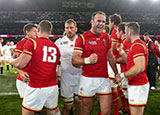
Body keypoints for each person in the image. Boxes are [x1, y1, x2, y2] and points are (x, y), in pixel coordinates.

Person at [72, 11, 118, 115]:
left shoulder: (107, 37)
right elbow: (74, 60)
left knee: (107, 112)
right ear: (92, 22)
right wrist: (87, 60)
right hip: (88, 79)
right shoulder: (82, 38)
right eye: (98, 21)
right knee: (86, 111)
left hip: (104, 79)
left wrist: (116, 73)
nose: (101, 24)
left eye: (103, 21)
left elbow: (110, 57)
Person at [10, 20, 60, 115]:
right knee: (51, 111)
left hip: (36, 85)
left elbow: (20, 63)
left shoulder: (33, 42)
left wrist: (11, 60)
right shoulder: (55, 47)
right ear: (50, 33)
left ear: (38, 29)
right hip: (52, 86)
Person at [115, 22, 149, 115]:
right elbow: (128, 61)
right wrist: (121, 51)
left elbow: (139, 68)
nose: (124, 34)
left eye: (125, 32)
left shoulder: (137, 46)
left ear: (129, 32)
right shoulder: (136, 44)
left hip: (138, 84)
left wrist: (122, 75)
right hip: (136, 83)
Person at [55, 19, 82, 115]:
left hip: (80, 77)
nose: (69, 30)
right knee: (68, 106)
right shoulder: (59, 42)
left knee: (80, 106)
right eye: (67, 28)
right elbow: (55, 61)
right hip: (66, 77)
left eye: (71, 28)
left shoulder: (82, 41)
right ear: (65, 29)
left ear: (76, 29)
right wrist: (56, 75)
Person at [12, 23, 37, 99]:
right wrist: (20, 72)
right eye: (34, 31)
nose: (37, 33)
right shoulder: (22, 43)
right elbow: (14, 60)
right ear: (27, 32)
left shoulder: (36, 42)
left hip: (35, 79)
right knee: (29, 106)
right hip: (25, 80)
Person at [109, 13, 127, 115]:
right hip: (122, 61)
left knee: (113, 87)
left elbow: (113, 48)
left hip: (116, 62)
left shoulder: (115, 32)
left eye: (109, 21)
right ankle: (124, 108)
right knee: (120, 87)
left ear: (112, 22)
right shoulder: (122, 31)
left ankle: (115, 112)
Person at [116, 23, 132, 114]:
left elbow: (127, 59)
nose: (116, 33)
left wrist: (114, 60)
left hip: (127, 72)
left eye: (117, 31)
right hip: (124, 72)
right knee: (125, 94)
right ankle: (126, 109)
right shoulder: (123, 42)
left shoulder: (127, 42)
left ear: (121, 32)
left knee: (129, 97)